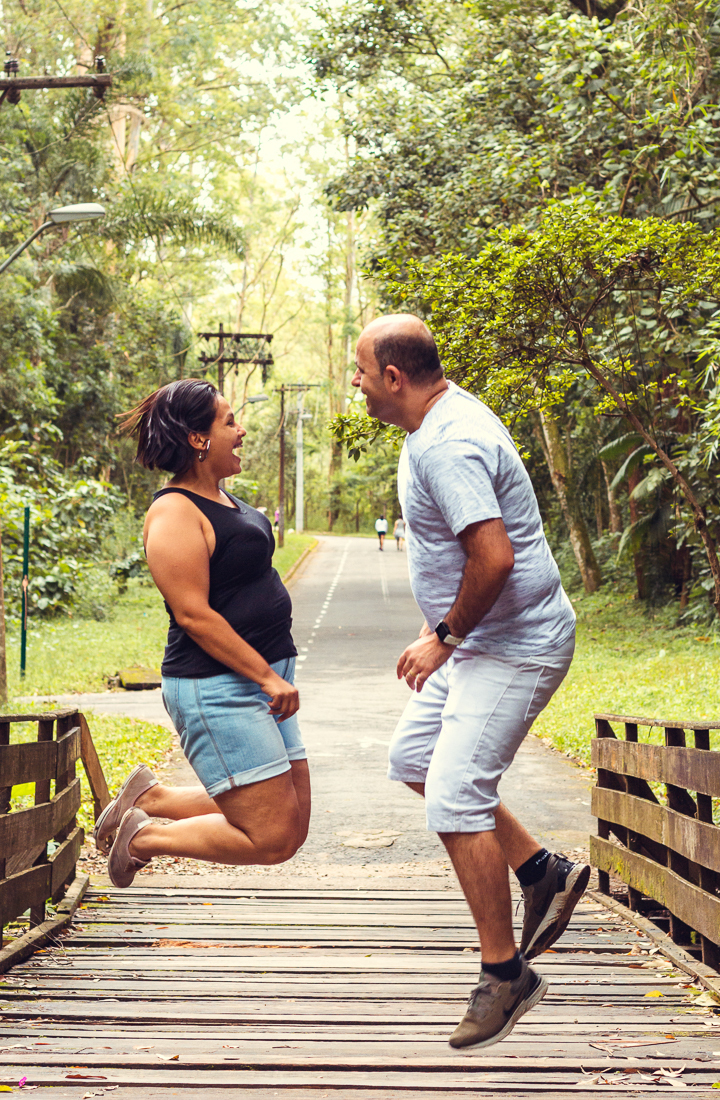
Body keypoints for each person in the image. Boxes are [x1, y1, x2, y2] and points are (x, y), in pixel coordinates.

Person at [352, 314, 589, 1050]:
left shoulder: (448, 444)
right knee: (416, 762)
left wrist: (443, 636)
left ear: (394, 377)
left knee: (457, 795)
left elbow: (495, 558)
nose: (353, 383)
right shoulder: (435, 421)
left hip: (513, 645)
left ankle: (505, 974)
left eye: (358, 371)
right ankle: (540, 871)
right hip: (483, 642)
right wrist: (446, 633)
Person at [93, 379, 310, 888]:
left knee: (293, 817)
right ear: (198, 438)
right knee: (272, 835)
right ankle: (144, 836)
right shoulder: (173, 512)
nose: (241, 431)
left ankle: (154, 798)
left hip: (264, 681)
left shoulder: (224, 501)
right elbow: (193, 614)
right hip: (218, 686)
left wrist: (274, 676)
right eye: (229, 421)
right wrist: (265, 677)